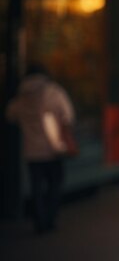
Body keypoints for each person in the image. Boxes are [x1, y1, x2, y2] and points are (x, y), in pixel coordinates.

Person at [5, 64, 74, 234]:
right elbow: (68, 115)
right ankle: (49, 218)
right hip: (53, 148)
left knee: (36, 186)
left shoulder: (21, 95)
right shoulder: (54, 92)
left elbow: (10, 115)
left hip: (31, 150)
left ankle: (39, 220)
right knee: (54, 184)